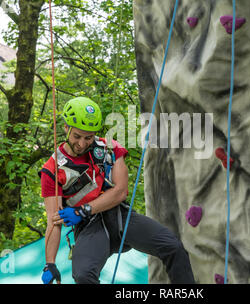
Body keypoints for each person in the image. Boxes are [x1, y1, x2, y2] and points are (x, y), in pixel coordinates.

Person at [40, 96, 195, 284]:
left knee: (173, 247)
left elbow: (120, 191)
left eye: (88, 137)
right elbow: (53, 221)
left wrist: (82, 210)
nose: (82, 143)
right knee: (83, 275)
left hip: (119, 217)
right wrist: (50, 263)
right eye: (77, 136)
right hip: (89, 227)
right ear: (66, 128)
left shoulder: (110, 148)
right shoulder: (52, 169)